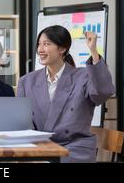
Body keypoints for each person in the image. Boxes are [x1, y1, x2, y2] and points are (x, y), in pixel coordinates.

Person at [17, 25, 115, 163]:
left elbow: (103, 93)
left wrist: (94, 52)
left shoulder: (83, 76)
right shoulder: (26, 81)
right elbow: (22, 121)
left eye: (46, 44)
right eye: (39, 44)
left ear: (62, 49)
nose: (40, 49)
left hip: (74, 151)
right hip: (40, 149)